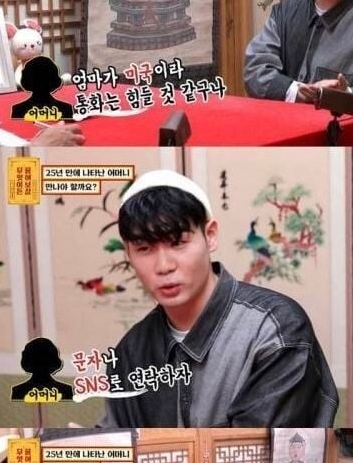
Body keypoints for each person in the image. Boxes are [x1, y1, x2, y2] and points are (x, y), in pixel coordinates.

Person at [98, 169, 338, 427]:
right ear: (128, 253)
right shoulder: (130, 352)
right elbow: (118, 439)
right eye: (144, 248)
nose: (164, 266)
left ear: (210, 235)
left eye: (178, 243)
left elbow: (258, 448)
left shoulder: (275, 329)